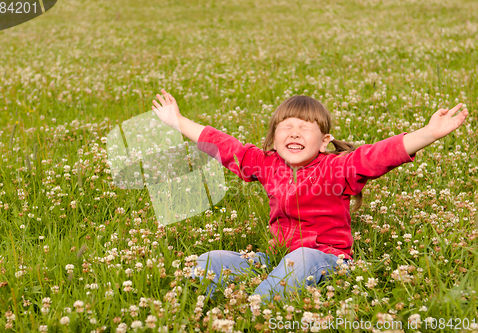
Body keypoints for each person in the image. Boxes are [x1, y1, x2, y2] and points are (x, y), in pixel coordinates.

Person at [152, 88, 469, 302]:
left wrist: (428, 133)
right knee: (210, 260)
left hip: (326, 260)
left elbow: (379, 154)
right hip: (275, 261)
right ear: (274, 141)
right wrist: (177, 121)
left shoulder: (338, 168)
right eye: (286, 127)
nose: (294, 132)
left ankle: (255, 308)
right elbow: (225, 146)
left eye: (305, 128)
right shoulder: (266, 164)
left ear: (324, 141)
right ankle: (198, 305)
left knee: (299, 260)